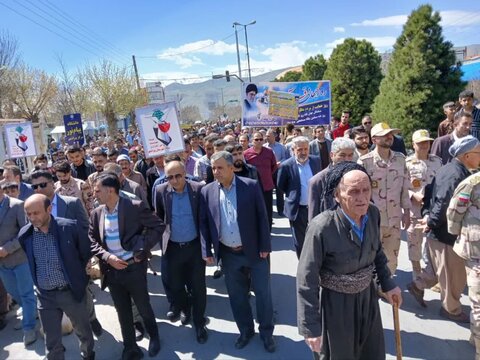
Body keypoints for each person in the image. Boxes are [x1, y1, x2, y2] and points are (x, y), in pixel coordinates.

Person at [297, 162, 402, 359]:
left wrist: (388, 284)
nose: (361, 198)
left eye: (366, 190)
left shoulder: (372, 213)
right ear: (337, 195)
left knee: (371, 353)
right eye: (353, 192)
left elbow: (377, 252)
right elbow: (306, 279)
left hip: (367, 299)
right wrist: (311, 327)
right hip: (335, 305)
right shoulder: (321, 227)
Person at [200, 151, 275, 353]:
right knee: (237, 296)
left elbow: (262, 217)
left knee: (262, 294)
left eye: (220, 168)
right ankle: (246, 331)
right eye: (213, 168)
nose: (216, 172)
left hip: (254, 251)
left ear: (232, 167)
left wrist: (265, 246)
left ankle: (267, 333)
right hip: (228, 254)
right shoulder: (207, 191)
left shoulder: (249, 186)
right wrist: (207, 250)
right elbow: (205, 224)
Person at [89, 174, 164, 359]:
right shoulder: (96, 213)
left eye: (97, 190)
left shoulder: (134, 207)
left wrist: (141, 248)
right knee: (122, 310)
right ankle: (129, 347)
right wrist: (107, 257)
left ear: (110, 190)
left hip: (133, 268)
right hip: (112, 271)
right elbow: (91, 240)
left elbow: (158, 226)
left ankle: (154, 337)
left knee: (143, 307)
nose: (94, 193)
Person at [408, 136, 480, 322]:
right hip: (445, 233)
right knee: (453, 276)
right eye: (478, 153)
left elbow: (430, 192)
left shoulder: (452, 168)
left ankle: (417, 286)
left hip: (440, 231)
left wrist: (429, 219)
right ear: (466, 155)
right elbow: (443, 202)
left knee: (438, 270)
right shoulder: (455, 174)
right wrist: (431, 221)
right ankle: (451, 309)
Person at [19, 194, 95, 360]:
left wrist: (79, 279)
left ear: (49, 209)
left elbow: (85, 252)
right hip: (45, 295)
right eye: (28, 214)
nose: (32, 218)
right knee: (51, 341)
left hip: (70, 292)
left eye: (36, 213)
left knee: (83, 332)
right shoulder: (25, 234)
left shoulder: (69, 228)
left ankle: (88, 354)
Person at [155, 160, 208, 344]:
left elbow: (204, 219)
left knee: (198, 287)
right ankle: (185, 308)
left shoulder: (198, 189)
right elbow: (159, 216)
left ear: (185, 173)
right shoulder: (161, 191)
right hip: (173, 248)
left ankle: (200, 323)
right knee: (176, 285)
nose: (175, 180)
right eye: (170, 177)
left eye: (178, 176)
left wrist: (206, 248)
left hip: (194, 247)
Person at [358, 123, 411, 276]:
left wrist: (406, 212)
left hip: (394, 218)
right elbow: (360, 193)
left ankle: (385, 286)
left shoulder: (401, 159)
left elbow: (404, 188)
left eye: (391, 134)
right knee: (370, 254)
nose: (390, 137)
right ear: (374, 139)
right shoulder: (365, 162)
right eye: (385, 135)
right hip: (372, 220)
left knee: (392, 255)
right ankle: (370, 285)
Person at [447, 171, 480, 358]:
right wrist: (456, 233)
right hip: (477, 252)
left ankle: (475, 337)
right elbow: (455, 210)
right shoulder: (473, 183)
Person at [0, 185, 36, 346]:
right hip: (2, 263)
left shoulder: (16, 205)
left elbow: (26, 232)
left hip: (20, 259)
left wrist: (7, 249)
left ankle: (29, 328)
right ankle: (32, 312)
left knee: (26, 293)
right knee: (14, 292)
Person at [405, 130, 442, 280]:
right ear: (413, 145)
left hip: (433, 210)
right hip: (415, 209)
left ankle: (431, 275)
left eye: (427, 142)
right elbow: (400, 185)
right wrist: (413, 195)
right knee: (414, 243)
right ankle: (416, 274)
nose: (424, 145)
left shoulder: (437, 161)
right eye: (420, 143)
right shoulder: (406, 163)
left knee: (433, 244)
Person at [277, 136, 321, 258]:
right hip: (297, 209)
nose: (303, 152)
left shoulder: (316, 161)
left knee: (317, 239)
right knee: (300, 242)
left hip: (315, 208)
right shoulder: (286, 166)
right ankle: (303, 267)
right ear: (293, 149)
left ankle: (316, 264)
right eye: (300, 149)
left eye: (305, 149)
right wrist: (293, 195)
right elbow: (281, 185)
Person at [308, 138, 356, 221]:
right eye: (342, 155)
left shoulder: (358, 177)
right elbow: (313, 218)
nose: (347, 159)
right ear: (332, 155)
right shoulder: (318, 181)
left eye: (350, 155)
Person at [244, 132, 277, 228]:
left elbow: (274, 167)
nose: (258, 141)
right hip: (253, 188)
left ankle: (268, 231)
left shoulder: (269, 152)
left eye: (260, 139)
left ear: (263, 140)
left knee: (267, 211)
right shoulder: (246, 154)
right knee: (254, 211)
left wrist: (267, 175)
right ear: (252, 141)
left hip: (267, 186)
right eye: (256, 139)